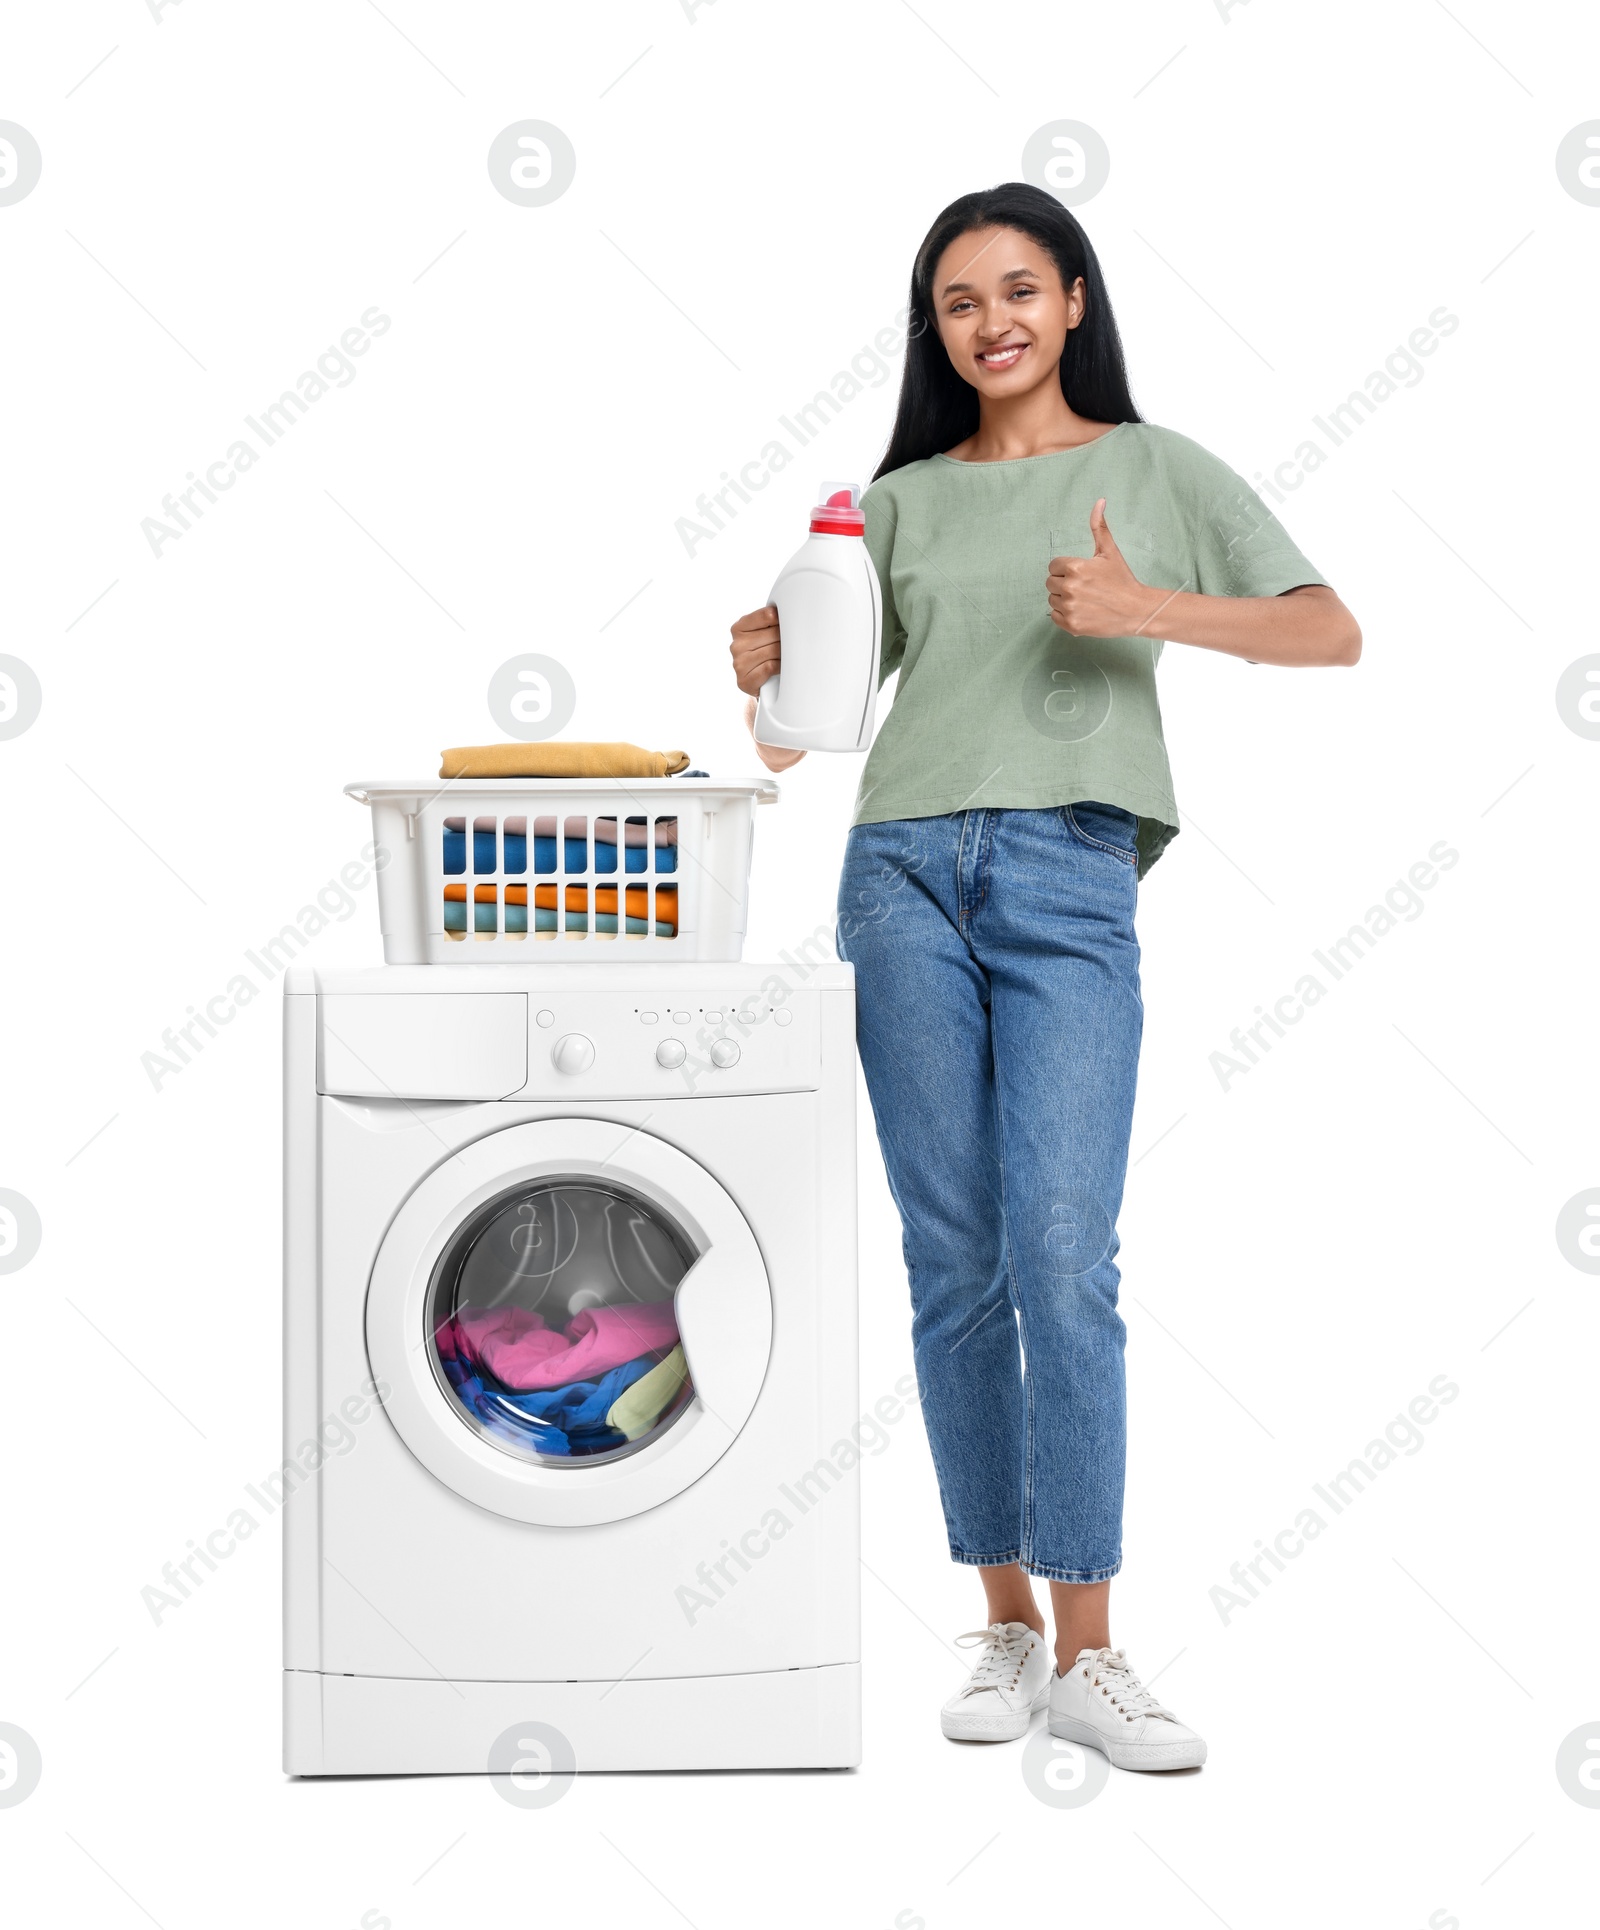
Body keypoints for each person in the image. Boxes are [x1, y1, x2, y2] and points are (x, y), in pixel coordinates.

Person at [729, 183, 1360, 1771]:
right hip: (901, 875)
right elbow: (799, 734)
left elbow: (1331, 629)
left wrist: (1146, 607)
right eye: (958, 301)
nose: (992, 319)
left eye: (1020, 286)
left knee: (1066, 1254)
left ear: (1074, 299)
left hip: (1073, 872)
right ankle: (1003, 1618)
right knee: (956, 1260)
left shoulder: (1155, 469)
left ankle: (1093, 1650)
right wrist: (764, 667)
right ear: (935, 330)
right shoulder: (896, 504)